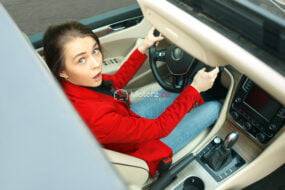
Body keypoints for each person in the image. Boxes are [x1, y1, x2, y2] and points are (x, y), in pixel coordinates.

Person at [43, 21, 221, 176]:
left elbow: (114, 83)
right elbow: (160, 129)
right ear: (62, 71)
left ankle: (192, 101)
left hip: (125, 120)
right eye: (81, 60)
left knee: (175, 91)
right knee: (214, 108)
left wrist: (143, 47)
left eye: (95, 51)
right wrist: (195, 88)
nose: (96, 63)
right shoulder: (95, 117)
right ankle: (199, 101)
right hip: (140, 151)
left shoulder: (73, 84)